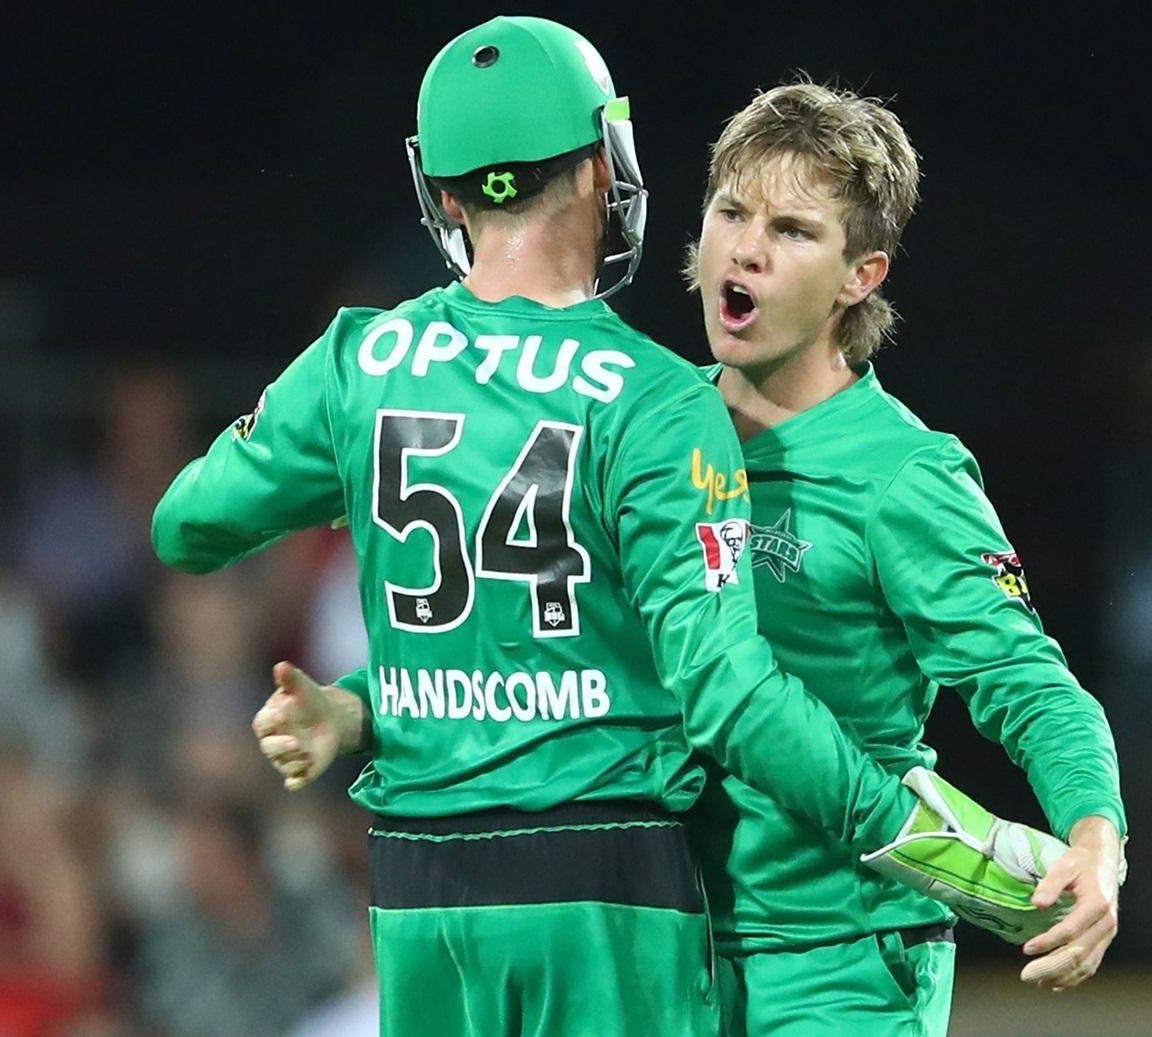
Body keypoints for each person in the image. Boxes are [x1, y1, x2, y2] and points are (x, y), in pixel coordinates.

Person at [153, 17, 934, 1036]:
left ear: (445, 194)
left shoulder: (358, 363)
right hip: (604, 880)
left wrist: (346, 460)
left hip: (420, 891)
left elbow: (186, 525)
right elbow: (725, 687)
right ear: (604, 164)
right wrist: (926, 841)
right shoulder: (662, 400)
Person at [682, 82, 1129, 1035]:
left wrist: (1097, 836)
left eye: (793, 230)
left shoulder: (903, 475)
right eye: (731, 211)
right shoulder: (650, 431)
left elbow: (1029, 683)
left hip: (842, 964)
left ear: (861, 275)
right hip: (665, 951)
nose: (748, 248)